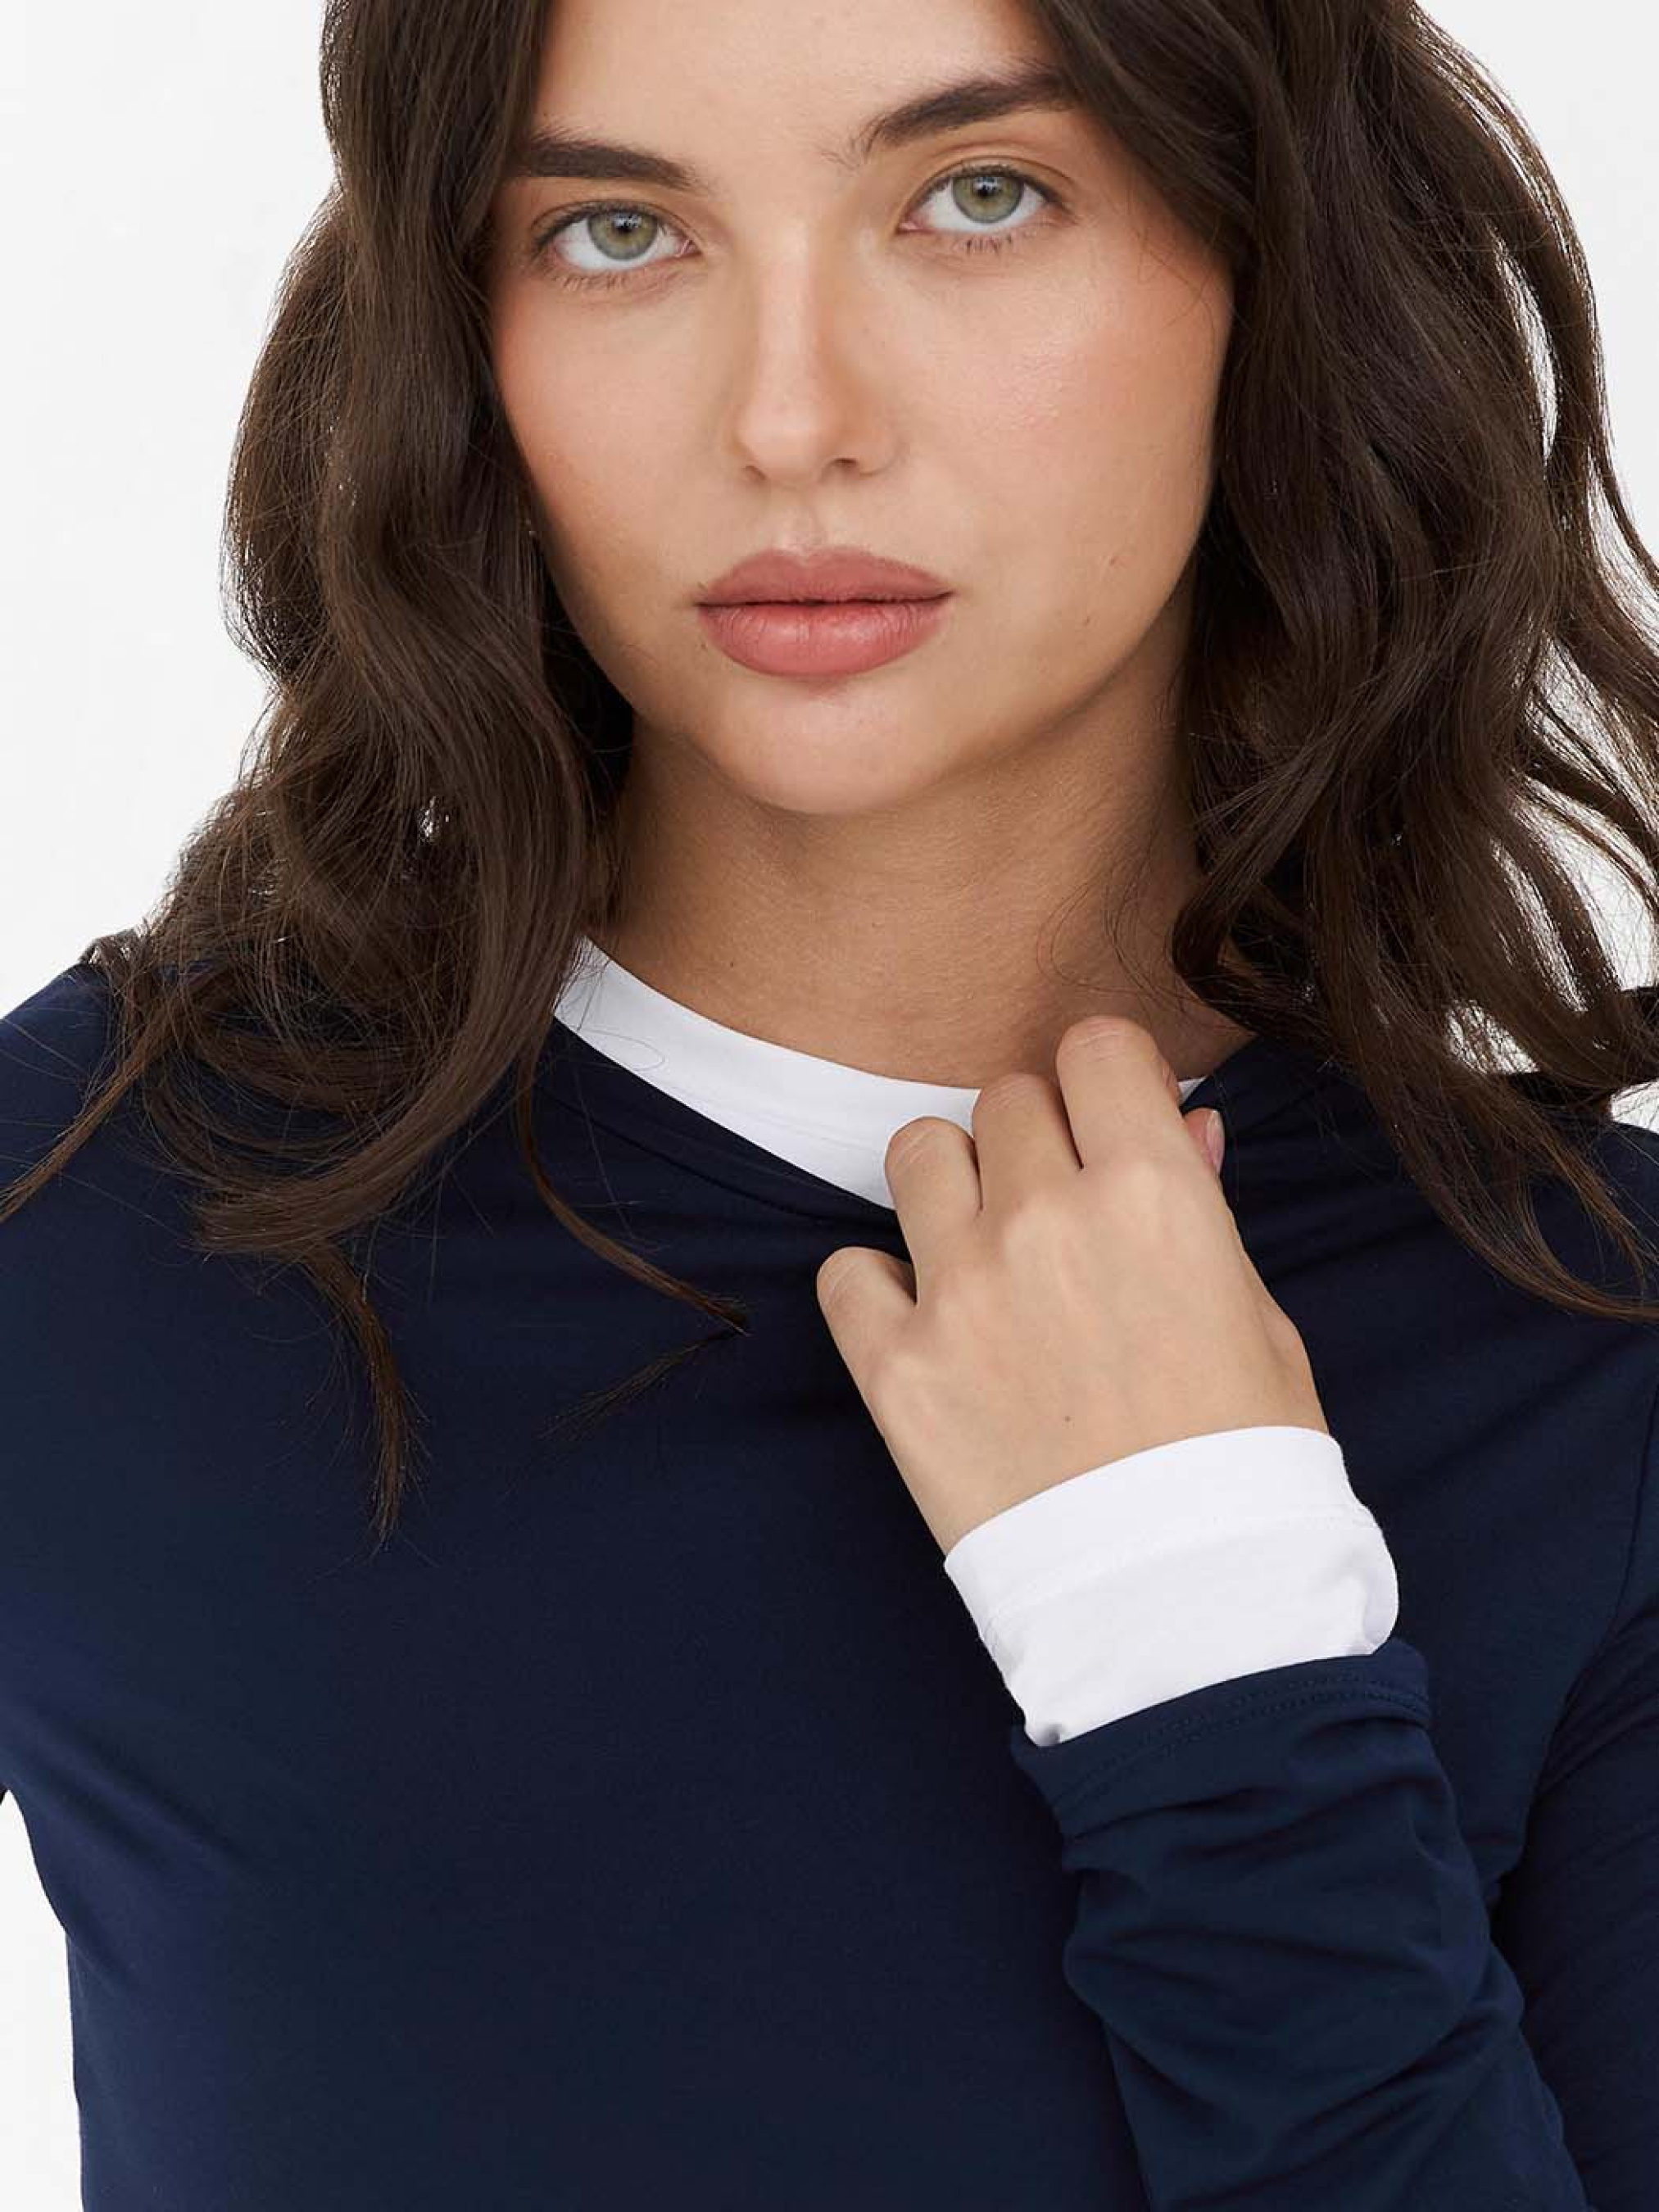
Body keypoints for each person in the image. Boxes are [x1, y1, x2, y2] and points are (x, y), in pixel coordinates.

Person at [2, 0, 1657, 2205]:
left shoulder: (1598, 1362)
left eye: (979, 196)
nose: (791, 420)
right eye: (614, 231)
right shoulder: (96, 1217)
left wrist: (1210, 1636)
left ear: (1279, 269)